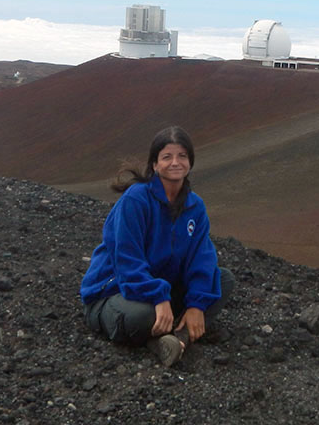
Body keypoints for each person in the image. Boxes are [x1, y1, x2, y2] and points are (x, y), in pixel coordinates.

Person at [80, 126, 234, 366]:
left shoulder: (195, 207)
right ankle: (169, 336)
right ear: (154, 164)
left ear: (190, 162)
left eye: (182, 156)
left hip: (159, 291)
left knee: (221, 280)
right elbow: (127, 262)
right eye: (167, 156)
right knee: (144, 315)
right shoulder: (136, 200)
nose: (175, 162)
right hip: (115, 292)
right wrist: (159, 296)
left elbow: (201, 258)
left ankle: (176, 340)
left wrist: (196, 304)